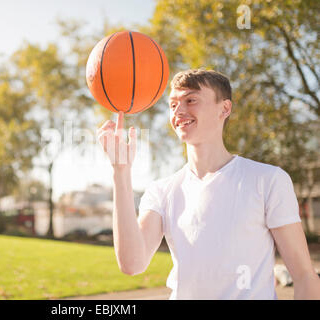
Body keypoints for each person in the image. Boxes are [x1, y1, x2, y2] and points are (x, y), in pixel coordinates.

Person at [97, 69, 320, 300]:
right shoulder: (162, 191)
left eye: (191, 100)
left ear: (224, 108)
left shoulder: (268, 180)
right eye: (173, 105)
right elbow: (132, 263)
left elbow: (304, 276)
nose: (179, 111)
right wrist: (120, 171)